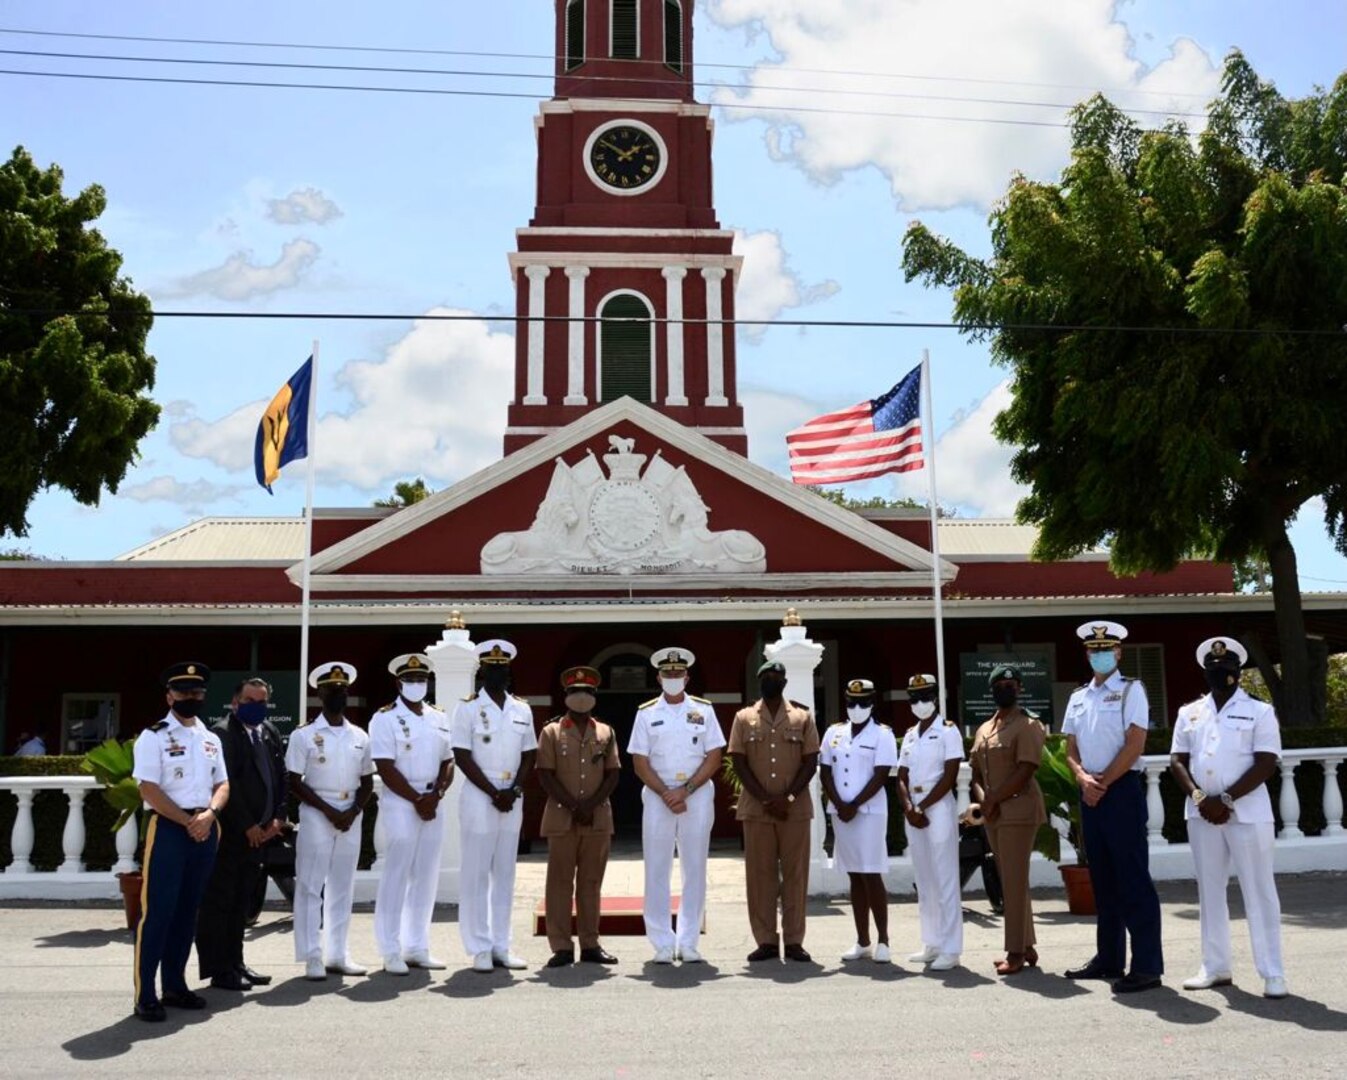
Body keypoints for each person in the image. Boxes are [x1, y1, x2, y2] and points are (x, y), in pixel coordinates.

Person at [1169, 636, 1287, 999]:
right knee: (1210, 891)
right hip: (1202, 813)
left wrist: (1227, 799)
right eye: (1214, 670)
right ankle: (1215, 966)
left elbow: (1266, 762)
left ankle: (1272, 972)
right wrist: (1202, 798)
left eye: (1227, 669)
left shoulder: (1260, 711)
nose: (1221, 675)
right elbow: (1177, 760)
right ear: (1206, 673)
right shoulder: (1189, 712)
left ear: (1238, 671)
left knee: (1259, 890)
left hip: (1248, 814)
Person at [1062, 621, 1165, 993]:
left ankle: (1147, 966)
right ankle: (1108, 959)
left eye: (1107, 649)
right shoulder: (1078, 697)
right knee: (1103, 880)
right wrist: (1081, 778)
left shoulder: (1130, 690)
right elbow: (1069, 747)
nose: (1100, 655)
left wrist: (1100, 782)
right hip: (1090, 794)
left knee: (1133, 880)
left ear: (1119, 653)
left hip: (1119, 792)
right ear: (1087, 654)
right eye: (1094, 650)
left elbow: (1135, 743)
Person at [131, 662, 229, 1021]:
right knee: (158, 913)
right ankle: (146, 993)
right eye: (184, 691)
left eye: (197, 692)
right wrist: (189, 820)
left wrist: (210, 815)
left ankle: (175, 985)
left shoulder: (210, 738)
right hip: (171, 830)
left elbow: (223, 784)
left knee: (188, 913)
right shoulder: (153, 736)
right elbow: (148, 789)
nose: (191, 697)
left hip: (204, 827)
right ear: (169, 695)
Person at [628, 647, 725, 964]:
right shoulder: (646, 713)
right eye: (667, 674)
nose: (672, 678)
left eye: (677, 674)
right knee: (656, 868)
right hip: (658, 796)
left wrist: (686, 790)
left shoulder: (703, 710)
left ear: (687, 676)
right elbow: (640, 762)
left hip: (695, 794)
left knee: (694, 868)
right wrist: (667, 793)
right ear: (658, 677)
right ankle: (661, 942)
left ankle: (689, 940)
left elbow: (714, 756)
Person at [195, 676, 286, 991]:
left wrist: (278, 817)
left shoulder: (269, 732)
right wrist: (247, 825)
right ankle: (219, 970)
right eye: (249, 701)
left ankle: (236, 962)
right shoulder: (222, 734)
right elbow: (226, 783)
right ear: (235, 703)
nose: (255, 707)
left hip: (262, 834)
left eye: (261, 702)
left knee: (242, 906)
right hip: (232, 835)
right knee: (220, 903)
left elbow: (281, 777)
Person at [451, 640, 537, 973]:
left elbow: (529, 753)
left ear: (509, 672)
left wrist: (513, 788)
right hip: (479, 794)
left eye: (502, 668)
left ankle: (502, 944)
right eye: (491, 668)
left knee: (505, 873)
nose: (497, 673)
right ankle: (479, 946)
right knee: (476, 873)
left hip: (511, 795)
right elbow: (461, 754)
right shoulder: (468, 708)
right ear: (482, 672)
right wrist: (493, 791)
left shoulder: (521, 709)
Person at [286, 662, 375, 980]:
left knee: (342, 887)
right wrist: (328, 811)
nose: (338, 694)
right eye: (331, 690)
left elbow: (367, 781)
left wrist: (351, 812)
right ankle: (312, 954)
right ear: (319, 693)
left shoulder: (359, 736)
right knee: (311, 885)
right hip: (316, 813)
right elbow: (295, 781)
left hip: (349, 814)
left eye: (342, 690)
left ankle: (338, 953)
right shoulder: (304, 734)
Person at [728, 659, 820, 963]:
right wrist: (765, 798)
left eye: (778, 677)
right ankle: (766, 940)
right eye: (768, 676)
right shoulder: (743, 717)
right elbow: (738, 761)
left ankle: (794, 941)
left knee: (795, 875)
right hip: (757, 809)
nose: (773, 681)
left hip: (794, 810)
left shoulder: (802, 717)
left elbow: (810, 761)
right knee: (760, 876)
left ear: (784, 682)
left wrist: (788, 797)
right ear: (760, 681)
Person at [370, 653, 455, 975]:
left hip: (433, 799)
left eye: (421, 681)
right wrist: (417, 799)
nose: (416, 685)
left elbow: (448, 760)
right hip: (401, 802)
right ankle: (390, 948)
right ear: (398, 683)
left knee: (426, 875)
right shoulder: (385, 718)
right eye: (410, 681)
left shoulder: (438, 716)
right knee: (397, 875)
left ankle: (417, 945)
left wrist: (436, 795)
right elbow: (384, 764)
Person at [536, 666, 621, 968]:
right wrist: (574, 806)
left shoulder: (606, 732)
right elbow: (545, 774)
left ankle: (590, 944)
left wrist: (591, 805)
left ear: (595, 697)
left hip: (597, 819)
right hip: (562, 818)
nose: (580, 697)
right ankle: (560, 946)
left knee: (591, 882)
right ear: (566, 697)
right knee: (559, 883)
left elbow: (613, 774)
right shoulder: (551, 731)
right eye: (575, 692)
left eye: (586, 692)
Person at [969, 666, 1045, 977]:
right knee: (1009, 880)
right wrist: (984, 799)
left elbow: (1026, 769)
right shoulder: (985, 727)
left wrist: (994, 798)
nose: (1005, 689)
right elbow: (975, 772)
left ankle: (1014, 952)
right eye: (1000, 685)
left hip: (1018, 810)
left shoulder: (1028, 725)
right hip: (994, 812)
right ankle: (1026, 945)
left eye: (1010, 684)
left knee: (1012, 882)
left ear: (1020, 689)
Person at [820, 678, 898, 964]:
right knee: (854, 873)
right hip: (842, 813)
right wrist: (840, 804)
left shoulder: (882, 734)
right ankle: (862, 940)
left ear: (872, 703)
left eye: (863, 703)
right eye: (852, 703)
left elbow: (881, 775)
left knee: (871, 872)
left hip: (869, 813)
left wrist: (854, 804)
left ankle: (884, 940)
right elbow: (825, 771)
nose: (857, 708)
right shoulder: (834, 733)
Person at [896, 673, 965, 971]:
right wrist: (910, 807)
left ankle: (951, 948)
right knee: (924, 879)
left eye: (925, 697)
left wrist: (921, 806)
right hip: (914, 808)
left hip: (937, 808)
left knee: (946, 878)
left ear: (936, 697)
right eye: (914, 698)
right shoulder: (910, 734)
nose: (920, 703)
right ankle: (932, 942)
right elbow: (901, 776)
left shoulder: (948, 731)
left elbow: (950, 776)